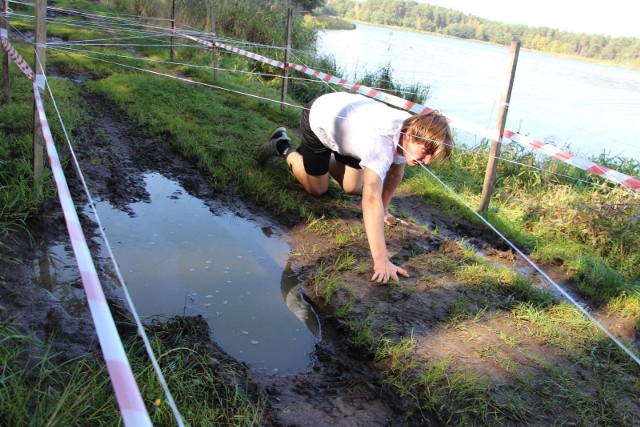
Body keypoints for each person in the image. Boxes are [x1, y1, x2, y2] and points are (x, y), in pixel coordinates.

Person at [256, 91, 453, 284]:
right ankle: (283, 145)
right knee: (317, 188)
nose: (427, 161)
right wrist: (381, 261)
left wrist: (384, 210)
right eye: (425, 152)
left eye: (431, 156)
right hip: (321, 119)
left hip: (351, 132)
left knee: (351, 187)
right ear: (410, 135)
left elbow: (395, 172)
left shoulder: (413, 129)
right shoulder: (382, 143)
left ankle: (315, 163)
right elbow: (370, 198)